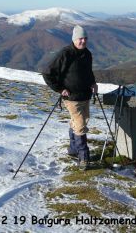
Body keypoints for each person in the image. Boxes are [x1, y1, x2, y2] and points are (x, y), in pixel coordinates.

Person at [42, 25, 98, 171]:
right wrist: (60, 89)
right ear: (74, 39)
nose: (83, 41)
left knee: (81, 121)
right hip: (72, 97)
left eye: (85, 38)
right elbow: (47, 73)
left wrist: (93, 83)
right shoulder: (65, 54)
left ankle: (73, 149)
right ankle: (83, 157)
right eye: (80, 38)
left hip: (85, 95)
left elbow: (88, 72)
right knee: (80, 125)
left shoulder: (87, 54)